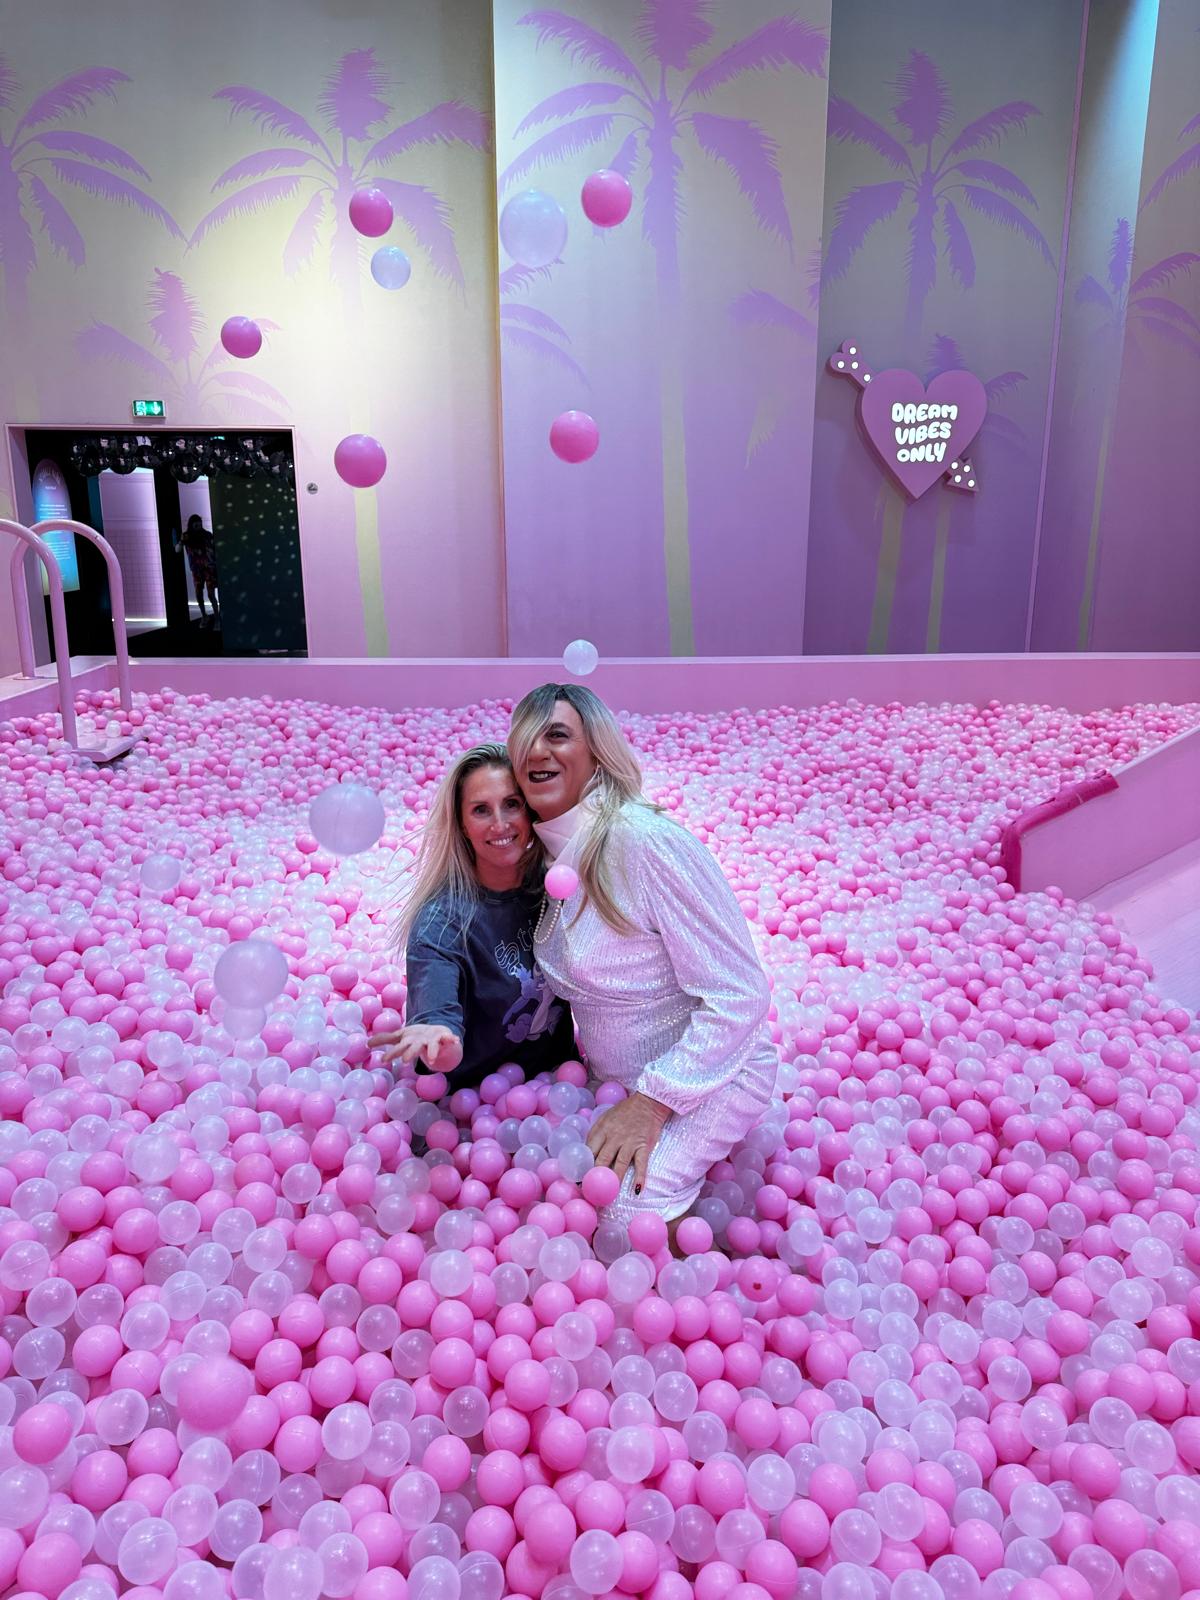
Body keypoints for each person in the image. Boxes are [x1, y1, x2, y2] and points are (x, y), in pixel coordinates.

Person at [508, 683, 777, 1229]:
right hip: (617, 1086)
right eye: (526, 739)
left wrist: (652, 1105)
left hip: (713, 1075)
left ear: (597, 751)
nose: (538, 751)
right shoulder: (549, 858)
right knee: (550, 1191)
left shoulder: (645, 843)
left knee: (623, 1209)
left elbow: (741, 992)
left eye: (558, 735)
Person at [372, 743, 574, 1093]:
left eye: (512, 804)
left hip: (562, 1087)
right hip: (477, 1105)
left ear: (530, 810)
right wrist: (439, 1041)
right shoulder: (442, 922)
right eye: (481, 810)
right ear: (463, 825)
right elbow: (439, 1026)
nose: (501, 824)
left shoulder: (554, 883)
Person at [179, 514, 219, 625]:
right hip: (196, 570)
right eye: (196, 523)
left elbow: (214, 549)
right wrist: (179, 543)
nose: (198, 525)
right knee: (199, 594)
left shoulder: (207, 535)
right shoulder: (186, 536)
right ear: (191, 524)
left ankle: (216, 618)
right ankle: (205, 616)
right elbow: (178, 548)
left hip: (209, 568)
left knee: (211, 594)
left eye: (199, 523)